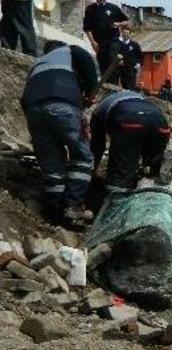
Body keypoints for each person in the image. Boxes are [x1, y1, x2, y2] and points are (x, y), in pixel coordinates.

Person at [20, 40, 99, 225]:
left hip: (33, 110)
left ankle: (54, 210)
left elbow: (24, 99)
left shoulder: (37, 64)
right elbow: (88, 64)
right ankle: (73, 206)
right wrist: (91, 92)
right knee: (82, 157)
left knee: (52, 165)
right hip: (62, 104)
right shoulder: (71, 51)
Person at [90, 91, 171, 193]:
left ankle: (116, 199)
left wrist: (92, 170)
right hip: (159, 122)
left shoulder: (99, 110)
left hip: (129, 121)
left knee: (120, 173)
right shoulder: (139, 98)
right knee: (151, 153)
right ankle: (157, 166)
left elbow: (97, 145)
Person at [83, 0, 129, 83]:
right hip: (99, 42)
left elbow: (126, 21)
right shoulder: (90, 9)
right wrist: (92, 42)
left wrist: (118, 24)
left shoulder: (113, 7)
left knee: (111, 57)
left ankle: (115, 83)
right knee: (102, 64)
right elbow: (87, 28)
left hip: (113, 40)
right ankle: (106, 85)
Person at [117, 26, 142, 91]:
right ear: (121, 33)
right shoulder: (118, 44)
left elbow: (140, 56)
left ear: (130, 34)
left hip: (131, 71)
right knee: (121, 89)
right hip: (120, 70)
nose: (125, 34)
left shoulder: (134, 45)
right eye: (124, 33)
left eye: (127, 33)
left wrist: (138, 64)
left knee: (130, 88)